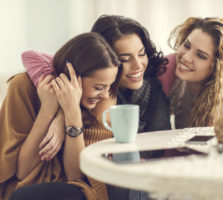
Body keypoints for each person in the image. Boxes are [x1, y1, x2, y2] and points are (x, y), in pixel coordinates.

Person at [20, 15, 171, 200]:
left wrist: (64, 114)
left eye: (141, 53)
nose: (138, 65)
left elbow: (160, 147)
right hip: (108, 178)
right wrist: (61, 108)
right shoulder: (96, 94)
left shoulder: (149, 90)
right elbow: (31, 56)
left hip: (140, 173)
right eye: (125, 58)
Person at [0, 32, 121, 200]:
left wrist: (71, 114)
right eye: (99, 87)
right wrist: (48, 111)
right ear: (73, 77)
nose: (105, 95)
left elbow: (76, 177)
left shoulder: (102, 102)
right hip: (26, 189)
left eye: (110, 86)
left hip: (72, 191)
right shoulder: (23, 87)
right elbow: (23, 171)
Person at [159, 17, 223, 128]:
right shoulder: (179, 86)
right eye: (187, 45)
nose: (186, 57)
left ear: (218, 67)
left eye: (201, 56)